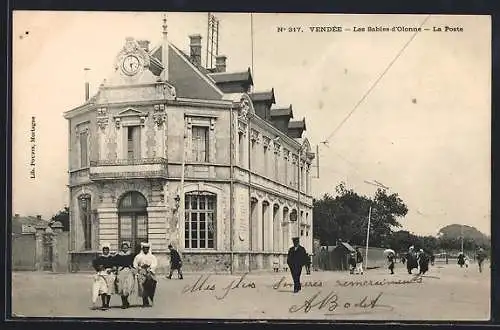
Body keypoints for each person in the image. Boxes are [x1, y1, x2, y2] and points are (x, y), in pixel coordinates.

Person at [91, 243, 115, 310]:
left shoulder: (111, 258)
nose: (105, 251)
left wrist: (112, 269)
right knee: (103, 289)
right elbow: (94, 264)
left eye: (107, 250)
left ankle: (107, 304)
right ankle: (103, 303)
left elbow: (115, 266)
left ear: (109, 250)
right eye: (104, 250)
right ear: (102, 250)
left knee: (109, 290)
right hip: (102, 274)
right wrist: (99, 267)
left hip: (110, 275)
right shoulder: (99, 258)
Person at [134, 242, 158, 307]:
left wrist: (150, 270)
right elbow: (135, 265)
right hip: (141, 272)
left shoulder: (152, 256)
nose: (146, 250)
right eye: (144, 248)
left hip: (150, 272)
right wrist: (140, 267)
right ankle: (145, 301)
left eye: (147, 248)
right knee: (142, 287)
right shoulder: (138, 256)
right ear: (142, 249)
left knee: (150, 286)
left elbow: (154, 264)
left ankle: (150, 299)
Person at [113, 241, 136, 309]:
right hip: (121, 271)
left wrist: (133, 269)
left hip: (129, 271)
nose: (125, 249)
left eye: (126, 248)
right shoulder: (118, 255)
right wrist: (115, 269)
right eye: (123, 248)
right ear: (121, 248)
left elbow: (134, 264)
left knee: (128, 287)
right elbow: (115, 264)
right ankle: (124, 302)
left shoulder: (131, 255)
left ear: (128, 248)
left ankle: (126, 300)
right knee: (121, 287)